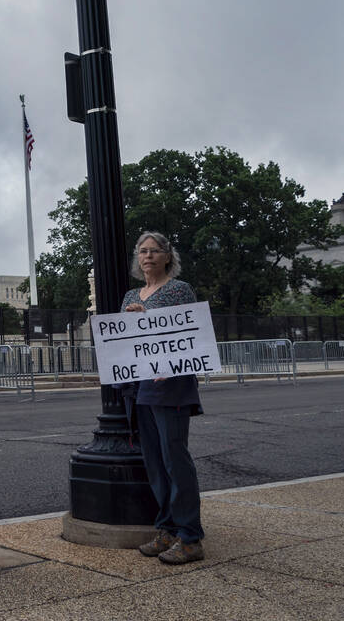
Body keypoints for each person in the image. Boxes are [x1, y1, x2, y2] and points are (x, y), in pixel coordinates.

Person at [121, 231, 205, 565]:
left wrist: (150, 321)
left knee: (175, 460)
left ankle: (191, 536)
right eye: (143, 251)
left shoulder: (179, 290)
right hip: (142, 387)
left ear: (167, 256)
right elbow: (124, 342)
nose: (148, 257)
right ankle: (167, 529)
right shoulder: (131, 293)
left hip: (172, 386)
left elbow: (191, 333)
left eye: (155, 251)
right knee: (155, 464)